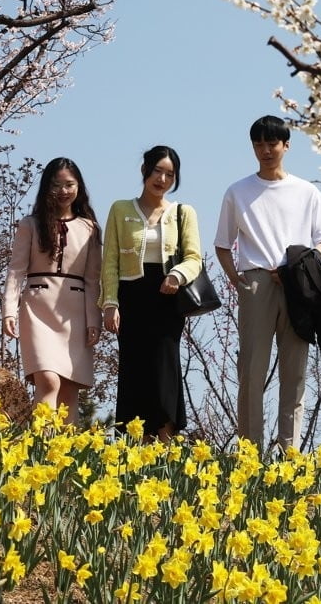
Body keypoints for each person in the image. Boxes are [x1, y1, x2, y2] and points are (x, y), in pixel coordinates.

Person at [215, 115, 321, 453]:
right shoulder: (238, 191)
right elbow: (222, 244)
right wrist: (237, 279)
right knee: (251, 371)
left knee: (295, 371)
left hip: (297, 285)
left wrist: (303, 266)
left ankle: (290, 452)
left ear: (286, 145)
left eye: (272, 143)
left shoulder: (306, 191)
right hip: (256, 282)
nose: (265, 150)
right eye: (258, 143)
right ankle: (249, 452)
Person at [100, 145, 203, 441]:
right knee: (134, 369)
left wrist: (177, 274)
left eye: (170, 174)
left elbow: (195, 257)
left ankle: (167, 439)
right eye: (158, 170)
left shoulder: (183, 212)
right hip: (131, 298)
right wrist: (110, 303)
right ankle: (137, 443)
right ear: (144, 170)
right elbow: (110, 262)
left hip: (167, 298)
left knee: (165, 368)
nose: (162, 179)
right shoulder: (120, 209)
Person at [3, 157, 103, 424]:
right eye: (56, 185)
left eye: (69, 184)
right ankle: (38, 448)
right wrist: (8, 312)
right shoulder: (30, 225)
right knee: (47, 381)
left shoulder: (90, 229)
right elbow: (16, 271)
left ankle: (64, 458)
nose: (63, 191)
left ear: (79, 187)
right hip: (37, 309)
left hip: (75, 314)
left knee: (70, 391)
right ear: (46, 187)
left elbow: (94, 280)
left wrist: (95, 320)